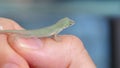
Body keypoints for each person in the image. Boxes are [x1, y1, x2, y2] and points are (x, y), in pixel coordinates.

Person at [0, 18, 96, 68]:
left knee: (19, 35)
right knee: (21, 36)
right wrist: (58, 40)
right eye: (70, 24)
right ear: (65, 26)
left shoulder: (57, 27)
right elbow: (55, 37)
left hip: (32, 33)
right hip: (32, 34)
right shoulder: (57, 29)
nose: (71, 24)